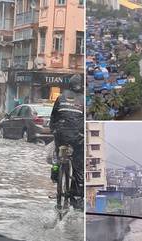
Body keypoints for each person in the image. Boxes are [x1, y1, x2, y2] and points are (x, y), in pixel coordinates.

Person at [49, 74, 84, 209]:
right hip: (76, 137)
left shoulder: (60, 97)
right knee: (78, 166)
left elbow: (53, 118)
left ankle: (55, 171)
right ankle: (77, 198)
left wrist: (54, 131)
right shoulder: (82, 100)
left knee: (57, 155)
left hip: (61, 135)